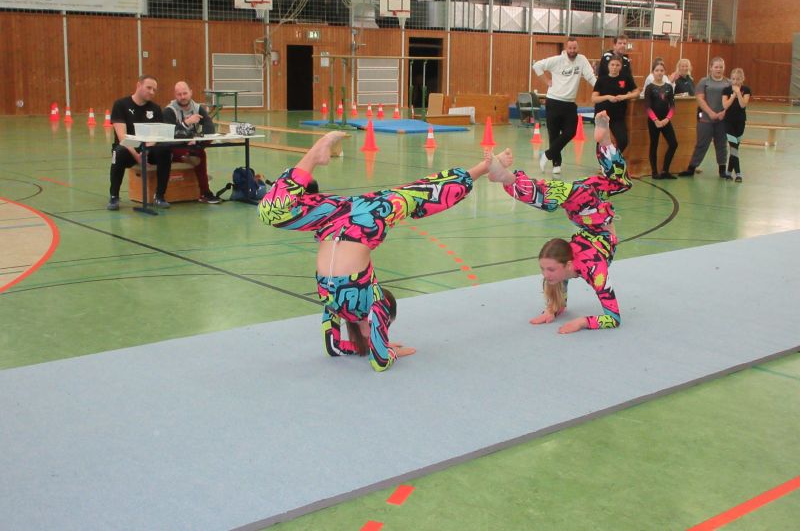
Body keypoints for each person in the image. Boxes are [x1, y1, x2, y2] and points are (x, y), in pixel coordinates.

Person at [257, 131, 492, 372]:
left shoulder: (342, 306)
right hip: (357, 220)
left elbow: (342, 350)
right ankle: (483, 168)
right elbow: (369, 356)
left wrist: (378, 348)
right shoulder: (356, 302)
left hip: (341, 217)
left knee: (271, 211)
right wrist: (385, 347)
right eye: (385, 324)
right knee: (419, 193)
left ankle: (313, 157)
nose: (381, 328)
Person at [487, 111, 632, 334]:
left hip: (590, 218)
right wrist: (553, 310)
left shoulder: (586, 268)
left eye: (550, 269)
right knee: (600, 187)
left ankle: (509, 179)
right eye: (544, 269)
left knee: (603, 186)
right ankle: (603, 141)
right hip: (593, 222)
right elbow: (607, 315)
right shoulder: (581, 268)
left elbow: (613, 318)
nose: (546, 275)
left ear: (568, 265)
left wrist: (581, 322)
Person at [532, 37, 597, 175]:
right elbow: (537, 66)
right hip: (553, 101)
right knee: (554, 134)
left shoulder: (582, 60)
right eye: (570, 48)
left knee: (570, 132)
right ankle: (556, 164)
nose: (572, 51)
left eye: (575, 48)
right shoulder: (557, 60)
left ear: (578, 48)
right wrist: (546, 80)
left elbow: (590, 76)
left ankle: (547, 155)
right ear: (566, 48)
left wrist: (600, 88)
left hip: (570, 104)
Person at [107, 75, 172, 210]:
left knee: (165, 150)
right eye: (149, 88)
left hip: (147, 149)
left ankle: (159, 196)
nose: (152, 92)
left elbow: (157, 135)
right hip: (129, 148)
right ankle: (114, 196)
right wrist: (137, 156)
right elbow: (122, 137)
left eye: (154, 90)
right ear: (138, 85)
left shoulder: (155, 108)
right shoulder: (121, 105)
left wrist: (146, 151)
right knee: (118, 152)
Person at [162, 81, 222, 204]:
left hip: (192, 145)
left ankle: (192, 153)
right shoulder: (169, 111)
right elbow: (171, 134)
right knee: (200, 154)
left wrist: (197, 139)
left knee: (201, 148)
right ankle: (205, 192)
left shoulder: (197, 108)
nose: (182, 97)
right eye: (179, 94)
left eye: (185, 93)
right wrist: (187, 122)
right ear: (175, 95)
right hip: (173, 147)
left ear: (191, 92)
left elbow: (210, 127)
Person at [679, 57, 731, 178]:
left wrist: (724, 112)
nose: (718, 69)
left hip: (722, 120)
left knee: (722, 144)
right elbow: (700, 99)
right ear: (711, 68)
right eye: (716, 67)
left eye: (721, 67)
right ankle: (691, 168)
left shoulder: (728, 83)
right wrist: (710, 113)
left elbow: (732, 100)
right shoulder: (704, 82)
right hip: (705, 119)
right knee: (701, 144)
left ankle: (722, 170)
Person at [591, 55, 639, 153]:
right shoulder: (601, 80)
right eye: (612, 65)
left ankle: (613, 158)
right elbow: (594, 98)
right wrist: (608, 97)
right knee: (603, 142)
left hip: (618, 117)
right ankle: (604, 161)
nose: (614, 67)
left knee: (623, 141)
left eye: (617, 65)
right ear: (608, 66)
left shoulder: (625, 78)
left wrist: (625, 96)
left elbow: (636, 92)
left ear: (620, 66)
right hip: (602, 117)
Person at [644, 60, 679, 179]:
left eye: (661, 70)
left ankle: (665, 170)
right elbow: (647, 107)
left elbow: (672, 106)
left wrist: (667, 119)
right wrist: (656, 120)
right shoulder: (649, 88)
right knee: (654, 145)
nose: (659, 73)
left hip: (665, 121)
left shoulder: (668, 87)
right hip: (654, 121)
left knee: (673, 144)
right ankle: (654, 172)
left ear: (664, 72)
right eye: (657, 70)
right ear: (652, 72)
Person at [721, 68, 751, 183]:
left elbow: (743, 105)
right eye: (733, 79)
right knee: (733, 147)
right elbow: (725, 106)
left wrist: (738, 93)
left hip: (740, 122)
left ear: (742, 79)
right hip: (728, 122)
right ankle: (738, 174)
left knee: (735, 148)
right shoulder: (726, 90)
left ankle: (729, 172)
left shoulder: (746, 90)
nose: (735, 81)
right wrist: (733, 95)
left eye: (738, 79)